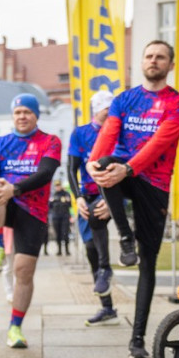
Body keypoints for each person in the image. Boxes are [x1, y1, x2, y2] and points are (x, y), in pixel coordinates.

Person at [87, 40, 179, 358]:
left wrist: (129, 169)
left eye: (160, 57)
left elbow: (160, 142)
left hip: (154, 183)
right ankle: (124, 236)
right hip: (122, 171)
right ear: (142, 62)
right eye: (148, 56)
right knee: (104, 163)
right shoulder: (125, 99)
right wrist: (92, 162)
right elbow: (108, 134)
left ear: (170, 65)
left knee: (148, 260)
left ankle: (137, 340)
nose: (153, 61)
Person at [0, 93, 62, 349]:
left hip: (32, 210)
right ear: (13, 116)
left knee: (23, 271)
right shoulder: (1, 143)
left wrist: (14, 189)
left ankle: (15, 327)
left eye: (27, 112)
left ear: (36, 115)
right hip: (4, 204)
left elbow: (45, 173)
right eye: (18, 112)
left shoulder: (50, 141)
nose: (22, 116)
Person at [67, 90, 118, 324]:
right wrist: (77, 197)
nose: (111, 114)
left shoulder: (119, 132)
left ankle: (106, 268)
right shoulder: (80, 133)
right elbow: (71, 168)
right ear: (97, 110)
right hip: (86, 195)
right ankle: (107, 307)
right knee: (90, 248)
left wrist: (114, 202)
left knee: (99, 225)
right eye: (107, 110)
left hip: (111, 192)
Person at [48, 180, 72, 255]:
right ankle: (59, 250)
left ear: (61, 186)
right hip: (56, 217)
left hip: (65, 216)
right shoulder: (53, 194)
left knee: (65, 233)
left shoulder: (66, 194)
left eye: (59, 185)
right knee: (57, 234)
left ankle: (67, 250)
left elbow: (69, 204)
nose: (58, 187)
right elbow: (49, 206)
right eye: (56, 186)